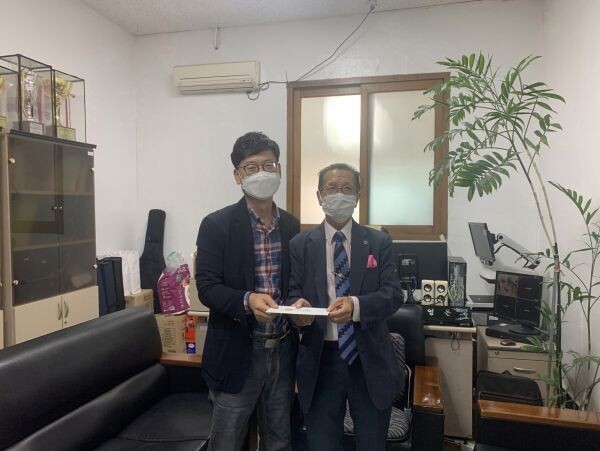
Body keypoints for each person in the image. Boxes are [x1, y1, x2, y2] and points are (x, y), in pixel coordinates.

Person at [287, 163, 403, 451]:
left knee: (371, 444)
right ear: (319, 196)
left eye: (347, 188)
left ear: (358, 196)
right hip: (321, 360)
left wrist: (356, 305)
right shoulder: (300, 244)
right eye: (331, 188)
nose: (339, 194)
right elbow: (292, 295)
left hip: (369, 360)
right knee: (321, 443)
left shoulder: (378, 242)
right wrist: (297, 311)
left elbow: (393, 294)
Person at [195, 131, 300, 451]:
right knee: (226, 443)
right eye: (252, 167)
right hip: (238, 351)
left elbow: (293, 284)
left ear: (279, 170)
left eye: (269, 165)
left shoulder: (292, 225)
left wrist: (298, 304)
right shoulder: (217, 225)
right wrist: (247, 300)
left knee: (279, 441)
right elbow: (207, 287)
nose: (262, 173)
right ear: (237, 175)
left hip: (282, 350)